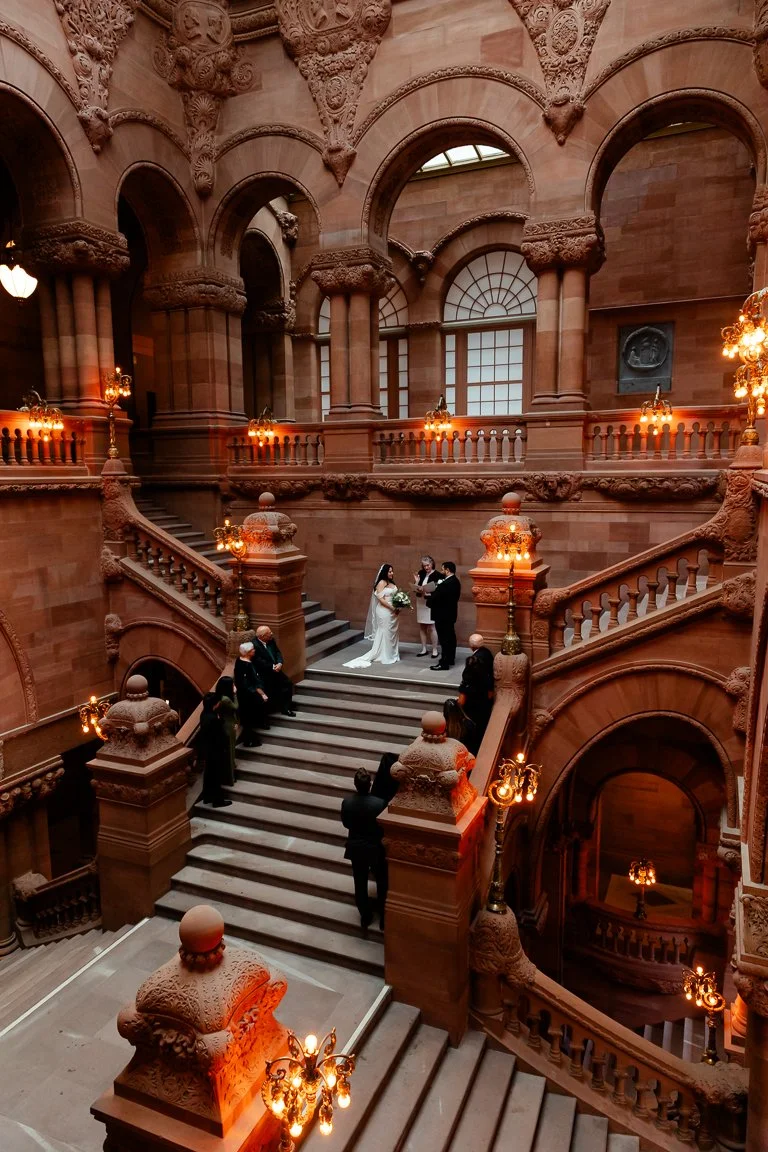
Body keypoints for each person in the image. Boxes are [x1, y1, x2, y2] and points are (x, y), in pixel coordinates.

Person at [340, 768, 387, 931]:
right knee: (382, 883)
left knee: (360, 883)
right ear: (369, 784)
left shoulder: (347, 802)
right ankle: (384, 919)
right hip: (374, 848)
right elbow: (382, 827)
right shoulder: (379, 803)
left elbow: (345, 823)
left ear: (355, 784)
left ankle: (365, 916)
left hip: (356, 847)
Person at [343, 563, 401, 669]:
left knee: (392, 632)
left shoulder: (391, 583)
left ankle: (392, 653)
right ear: (384, 572)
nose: (392, 573)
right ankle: (384, 655)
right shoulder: (381, 583)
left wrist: (399, 606)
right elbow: (381, 599)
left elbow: (396, 596)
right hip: (384, 611)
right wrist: (392, 608)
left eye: (392, 571)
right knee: (385, 631)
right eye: (389, 571)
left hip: (393, 612)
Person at [252, 625, 296, 716]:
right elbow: (258, 661)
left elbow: (277, 652)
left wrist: (280, 663)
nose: (272, 633)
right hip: (264, 673)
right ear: (262, 636)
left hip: (276, 669)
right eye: (269, 633)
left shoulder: (271, 640)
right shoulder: (254, 645)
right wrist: (272, 666)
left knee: (287, 684)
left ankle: (286, 708)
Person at [198, 693, 232, 808]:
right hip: (215, 750)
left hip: (208, 750)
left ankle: (208, 797)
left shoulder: (204, 714)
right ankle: (218, 800)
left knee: (209, 774)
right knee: (216, 776)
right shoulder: (213, 719)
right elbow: (219, 736)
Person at [233, 641, 269, 746]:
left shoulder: (239, 661)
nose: (254, 650)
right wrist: (262, 694)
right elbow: (252, 683)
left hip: (242, 693)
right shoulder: (247, 665)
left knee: (246, 718)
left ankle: (249, 739)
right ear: (248, 652)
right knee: (248, 719)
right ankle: (250, 740)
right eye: (253, 649)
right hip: (247, 696)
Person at [428, 561, 461, 670]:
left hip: (442, 615)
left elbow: (437, 598)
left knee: (444, 639)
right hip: (450, 614)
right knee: (451, 637)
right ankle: (450, 658)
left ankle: (444, 663)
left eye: (443, 569)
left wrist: (429, 598)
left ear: (447, 570)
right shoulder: (456, 581)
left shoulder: (446, 584)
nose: (442, 572)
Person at [413, 555, 440, 658]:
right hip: (421, 602)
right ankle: (424, 648)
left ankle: (434, 649)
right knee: (422, 626)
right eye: (424, 566)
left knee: (432, 626)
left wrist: (430, 593)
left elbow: (438, 590)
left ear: (432, 564)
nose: (426, 568)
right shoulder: (421, 573)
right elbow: (416, 589)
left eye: (427, 565)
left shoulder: (438, 575)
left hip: (431, 603)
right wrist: (416, 582)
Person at [214, 675, 238, 785]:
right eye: (232, 684)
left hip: (228, 723)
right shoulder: (226, 699)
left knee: (230, 749)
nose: (234, 685)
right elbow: (236, 707)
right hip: (228, 726)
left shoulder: (220, 697)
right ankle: (231, 777)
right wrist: (235, 694)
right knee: (231, 750)